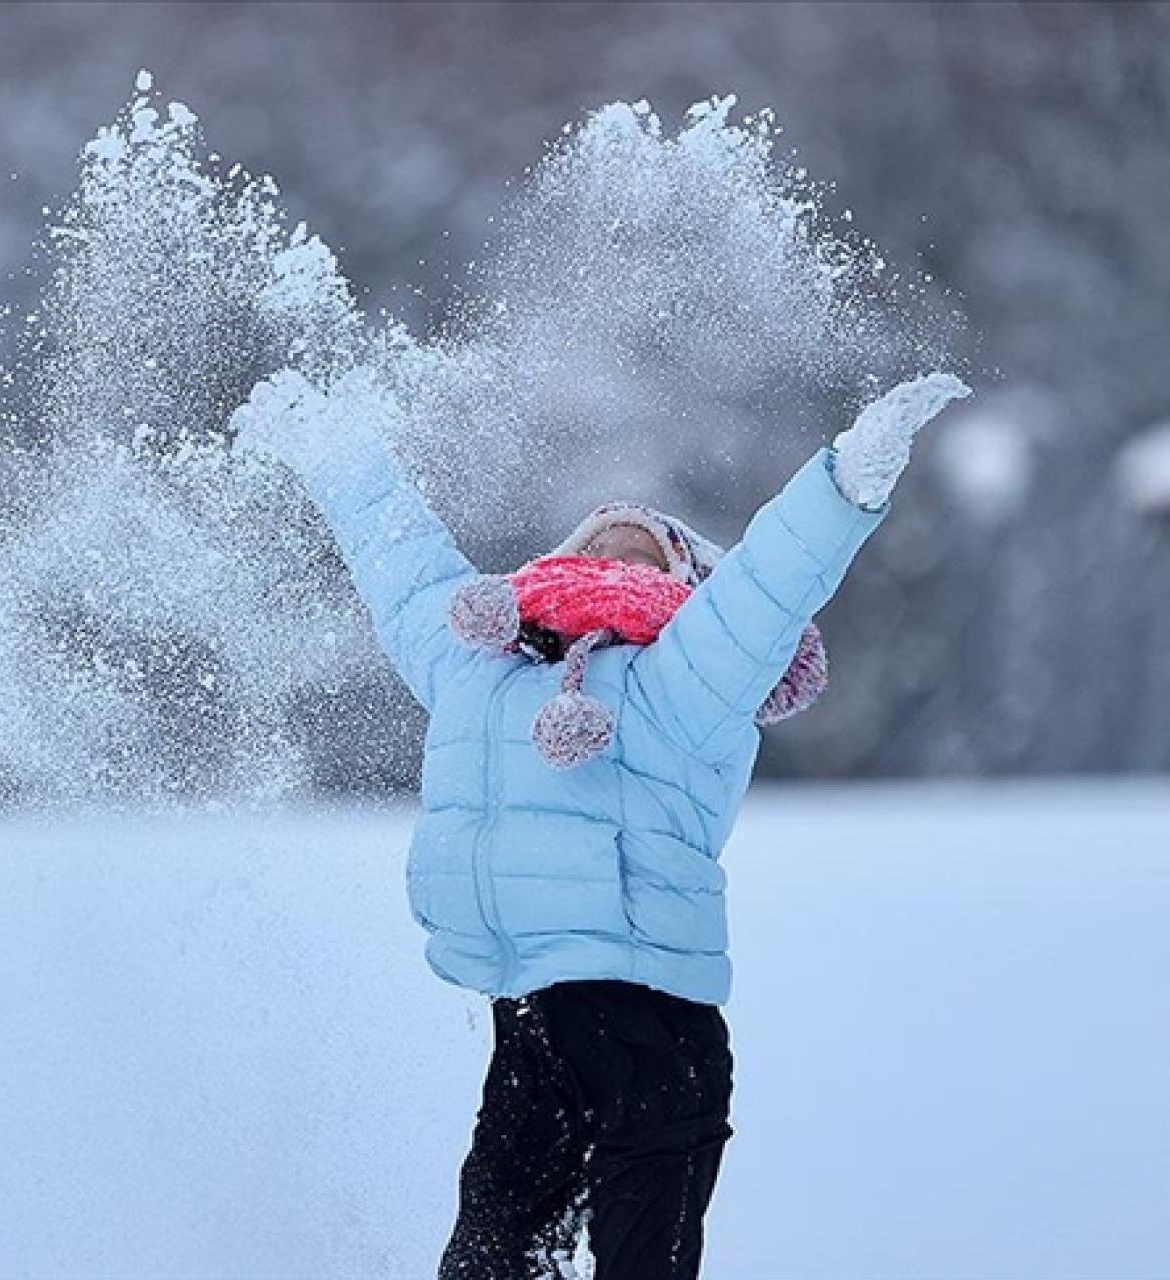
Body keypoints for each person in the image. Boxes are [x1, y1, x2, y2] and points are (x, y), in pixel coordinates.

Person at [230, 367, 971, 1279]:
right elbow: (406, 569)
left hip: (654, 1025)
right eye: (597, 545)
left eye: (645, 555)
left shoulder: (688, 679)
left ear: (689, 588)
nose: (616, 557)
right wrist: (335, 454)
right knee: (487, 1262)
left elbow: (768, 588)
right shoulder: (479, 671)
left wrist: (845, 481)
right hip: (532, 1021)